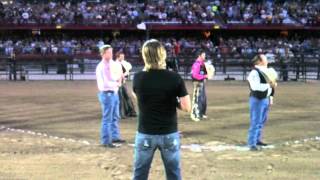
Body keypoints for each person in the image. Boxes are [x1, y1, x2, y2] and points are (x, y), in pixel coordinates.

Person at [132, 39, 191, 180]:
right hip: (168, 132)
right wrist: (172, 99)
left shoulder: (138, 77)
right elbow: (186, 107)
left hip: (145, 132)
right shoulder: (174, 78)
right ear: (162, 55)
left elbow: (137, 96)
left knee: (139, 174)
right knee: (173, 174)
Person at [95, 44, 126, 148]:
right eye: (109, 52)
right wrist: (118, 82)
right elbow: (105, 84)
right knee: (108, 119)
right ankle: (106, 141)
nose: (111, 54)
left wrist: (120, 77)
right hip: (107, 94)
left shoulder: (110, 64)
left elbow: (115, 75)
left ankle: (114, 137)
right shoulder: (102, 66)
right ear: (103, 54)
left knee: (114, 117)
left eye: (111, 52)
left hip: (113, 93)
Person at [247, 54, 276, 151]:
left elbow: (272, 87)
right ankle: (252, 143)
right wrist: (269, 85)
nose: (267, 61)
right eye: (265, 59)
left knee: (261, 121)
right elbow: (255, 87)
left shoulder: (266, 71)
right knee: (256, 121)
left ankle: (257, 139)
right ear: (259, 62)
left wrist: (270, 97)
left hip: (264, 99)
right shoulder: (254, 73)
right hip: (257, 99)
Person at [115, 51, 137, 118]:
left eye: (123, 56)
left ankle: (131, 112)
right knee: (121, 98)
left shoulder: (123, 63)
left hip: (123, 83)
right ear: (118, 57)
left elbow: (128, 69)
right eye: (122, 57)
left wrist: (125, 74)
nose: (123, 58)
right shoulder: (115, 64)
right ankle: (122, 114)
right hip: (118, 84)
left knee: (127, 97)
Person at [190, 50, 208, 122]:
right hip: (197, 83)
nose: (205, 56)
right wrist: (204, 76)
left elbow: (204, 73)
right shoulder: (196, 64)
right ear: (199, 56)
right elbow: (195, 75)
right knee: (197, 99)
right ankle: (194, 115)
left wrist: (206, 76)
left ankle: (201, 113)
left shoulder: (202, 64)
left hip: (201, 82)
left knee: (203, 99)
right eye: (203, 55)